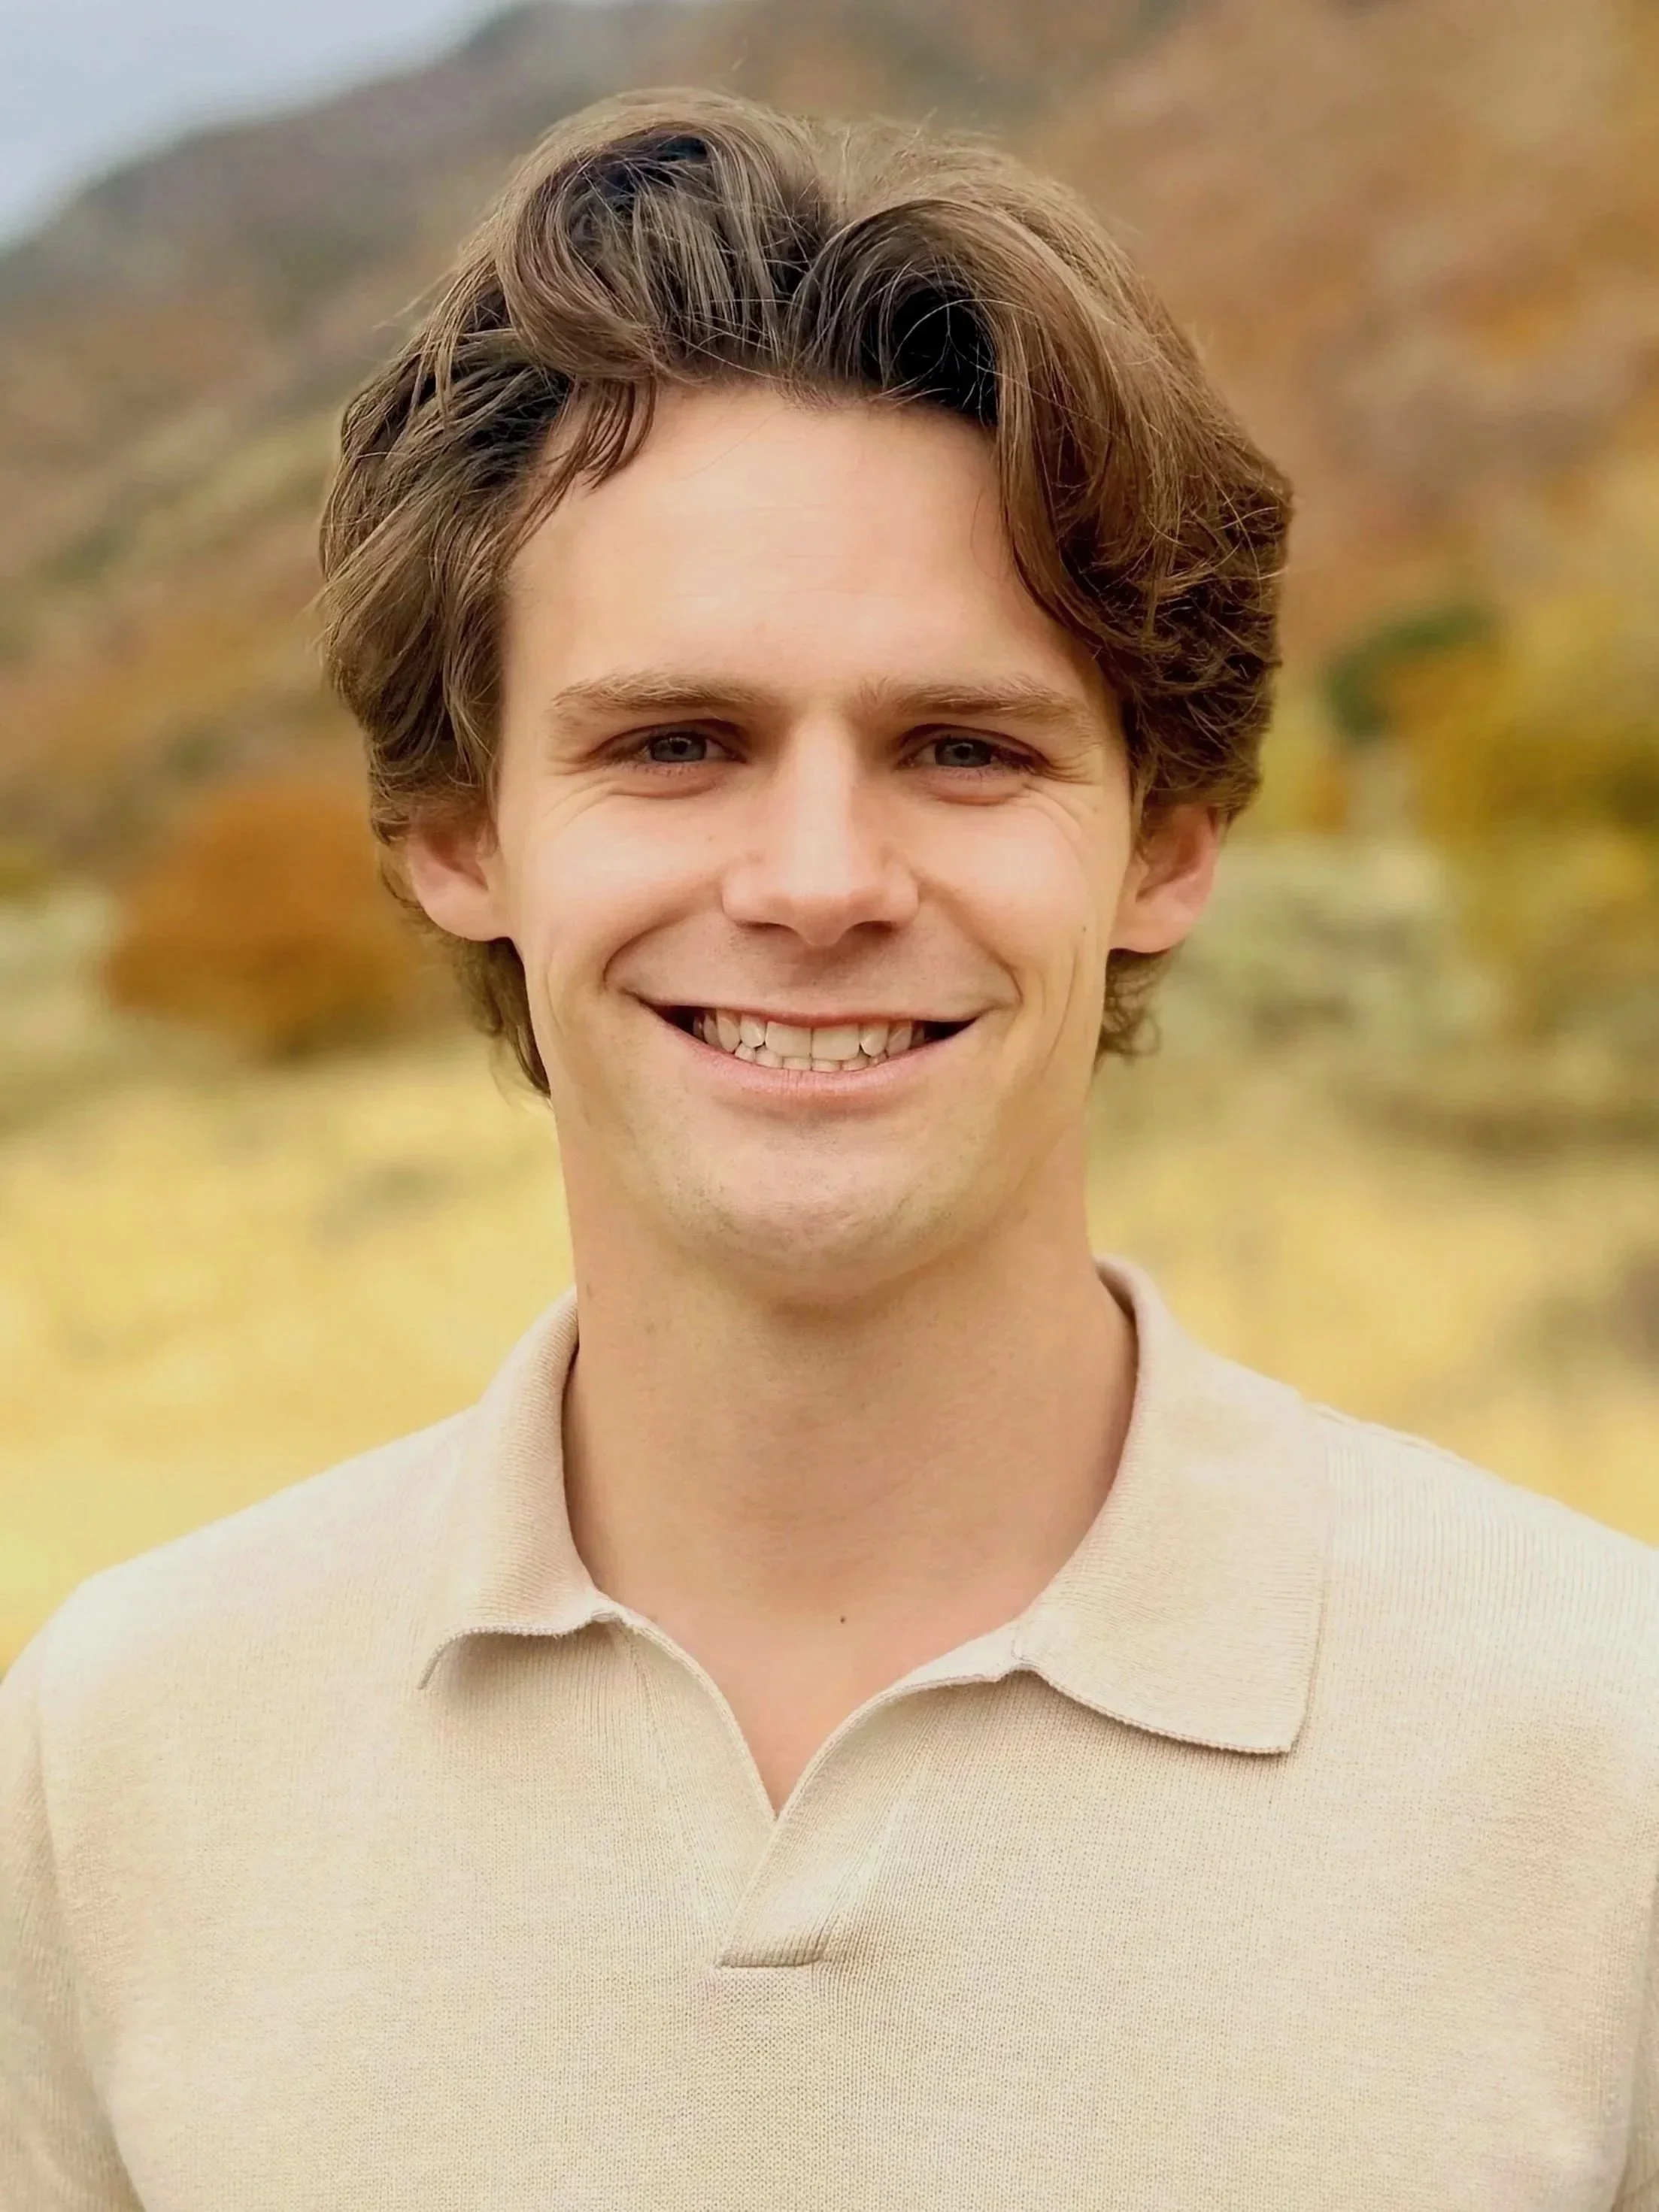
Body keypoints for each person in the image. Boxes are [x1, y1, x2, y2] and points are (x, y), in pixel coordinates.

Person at [3, 85, 1656, 2211]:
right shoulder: (118, 1765)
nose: (813, 877)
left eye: (961, 747)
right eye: (674, 742)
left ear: (1162, 842)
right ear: (455, 832)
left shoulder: (1601, 1750)